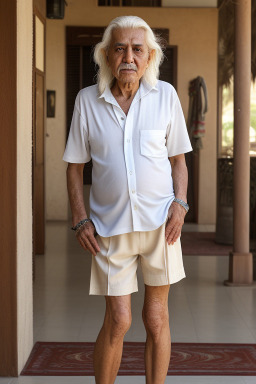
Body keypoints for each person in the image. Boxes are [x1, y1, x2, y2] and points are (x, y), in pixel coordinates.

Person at [63, 15, 192, 384]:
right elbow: (74, 169)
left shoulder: (165, 95)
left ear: (150, 56)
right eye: (120, 48)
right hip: (108, 227)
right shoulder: (87, 101)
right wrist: (80, 218)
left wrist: (180, 203)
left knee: (156, 318)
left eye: (137, 49)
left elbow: (178, 161)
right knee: (119, 319)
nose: (129, 57)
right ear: (106, 56)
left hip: (161, 225)